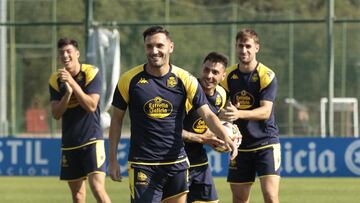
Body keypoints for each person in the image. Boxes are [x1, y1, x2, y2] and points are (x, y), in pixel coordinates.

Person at [108, 26, 238, 203]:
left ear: (170, 47)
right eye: (149, 46)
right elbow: (116, 120)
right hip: (143, 164)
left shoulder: (185, 79)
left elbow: (208, 115)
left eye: (159, 45)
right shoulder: (128, 80)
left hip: (177, 163)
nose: (154, 51)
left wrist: (227, 138)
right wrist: (113, 160)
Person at [220, 28, 281, 203]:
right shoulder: (228, 76)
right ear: (236, 47)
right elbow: (220, 106)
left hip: (265, 142)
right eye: (240, 46)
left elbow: (265, 111)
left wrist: (238, 113)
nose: (244, 50)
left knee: (270, 196)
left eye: (248, 46)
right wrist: (224, 116)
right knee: (239, 199)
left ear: (257, 48)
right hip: (239, 145)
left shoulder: (266, 75)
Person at [49, 38, 111, 203]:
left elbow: (91, 105)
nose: (65, 55)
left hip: (92, 140)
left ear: (77, 54)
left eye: (69, 51)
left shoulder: (91, 73)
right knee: (77, 195)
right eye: (62, 52)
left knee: (97, 188)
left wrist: (72, 84)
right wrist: (67, 95)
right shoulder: (55, 80)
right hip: (70, 143)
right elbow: (56, 114)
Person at [182, 52, 234, 202]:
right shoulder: (187, 93)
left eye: (215, 72)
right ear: (201, 69)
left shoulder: (221, 95)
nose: (209, 75)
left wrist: (228, 134)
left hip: (199, 160)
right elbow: (170, 129)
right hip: (176, 159)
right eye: (206, 70)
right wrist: (203, 138)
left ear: (223, 76)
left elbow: (210, 123)